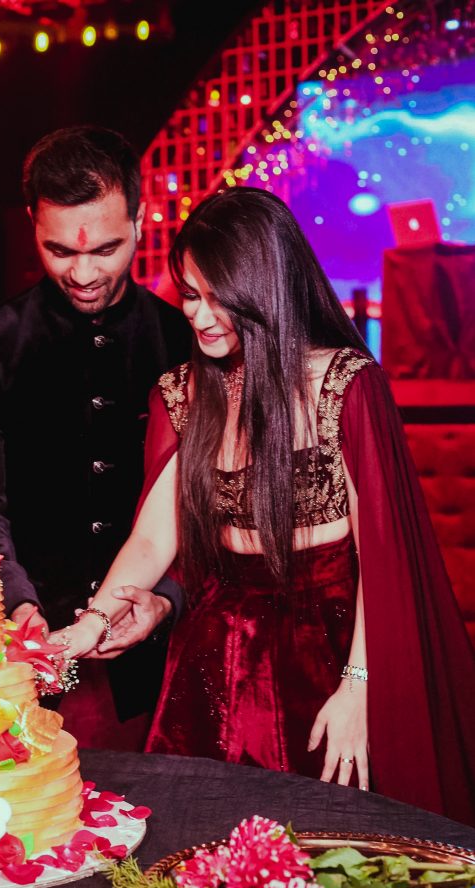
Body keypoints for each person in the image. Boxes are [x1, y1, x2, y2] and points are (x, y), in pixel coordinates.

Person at [56, 187, 475, 824]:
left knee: (334, 851)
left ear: (266, 284)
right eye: (190, 296)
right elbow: (149, 542)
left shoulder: (345, 382)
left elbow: (379, 556)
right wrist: (89, 626)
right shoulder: (186, 392)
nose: (199, 317)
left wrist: (361, 687)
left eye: (218, 295)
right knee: (199, 851)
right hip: (218, 649)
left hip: (332, 644)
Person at [0, 126, 192, 722]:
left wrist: (165, 599)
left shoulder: (185, 341)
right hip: (29, 655)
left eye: (106, 249)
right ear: (31, 220)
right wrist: (19, 608)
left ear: (141, 217)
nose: (83, 273)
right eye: (60, 251)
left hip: (170, 654)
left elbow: (215, 508)